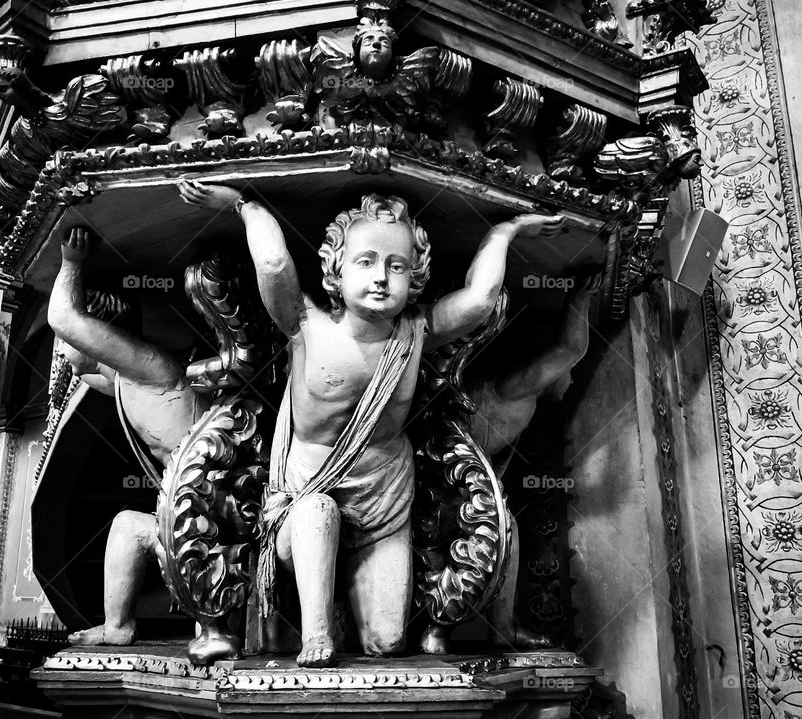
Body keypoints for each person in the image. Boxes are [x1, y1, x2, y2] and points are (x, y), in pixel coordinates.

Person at [180, 180, 562, 667]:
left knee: (386, 643)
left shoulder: (416, 331)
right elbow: (274, 265)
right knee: (319, 512)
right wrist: (243, 204)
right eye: (365, 262)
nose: (381, 277)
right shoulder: (305, 325)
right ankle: (315, 636)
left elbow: (480, 300)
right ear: (335, 272)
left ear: (416, 277)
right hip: (307, 498)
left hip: (385, 501)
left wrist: (504, 232)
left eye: (396, 265)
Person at [47, 226, 201, 646]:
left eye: (66, 344)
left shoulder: (152, 368)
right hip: (191, 509)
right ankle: (118, 627)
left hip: (210, 513)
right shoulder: (123, 382)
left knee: (127, 526)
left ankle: (121, 626)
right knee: (128, 527)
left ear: (99, 334)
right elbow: (87, 369)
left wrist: (71, 265)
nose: (60, 351)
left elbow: (64, 318)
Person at [475, 273, 602, 649]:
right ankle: (499, 632)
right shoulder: (514, 389)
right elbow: (569, 350)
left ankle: (500, 630)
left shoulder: (521, 399)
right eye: (566, 374)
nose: (572, 381)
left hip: (463, 476)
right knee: (503, 530)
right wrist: (580, 300)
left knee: (502, 530)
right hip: (449, 475)